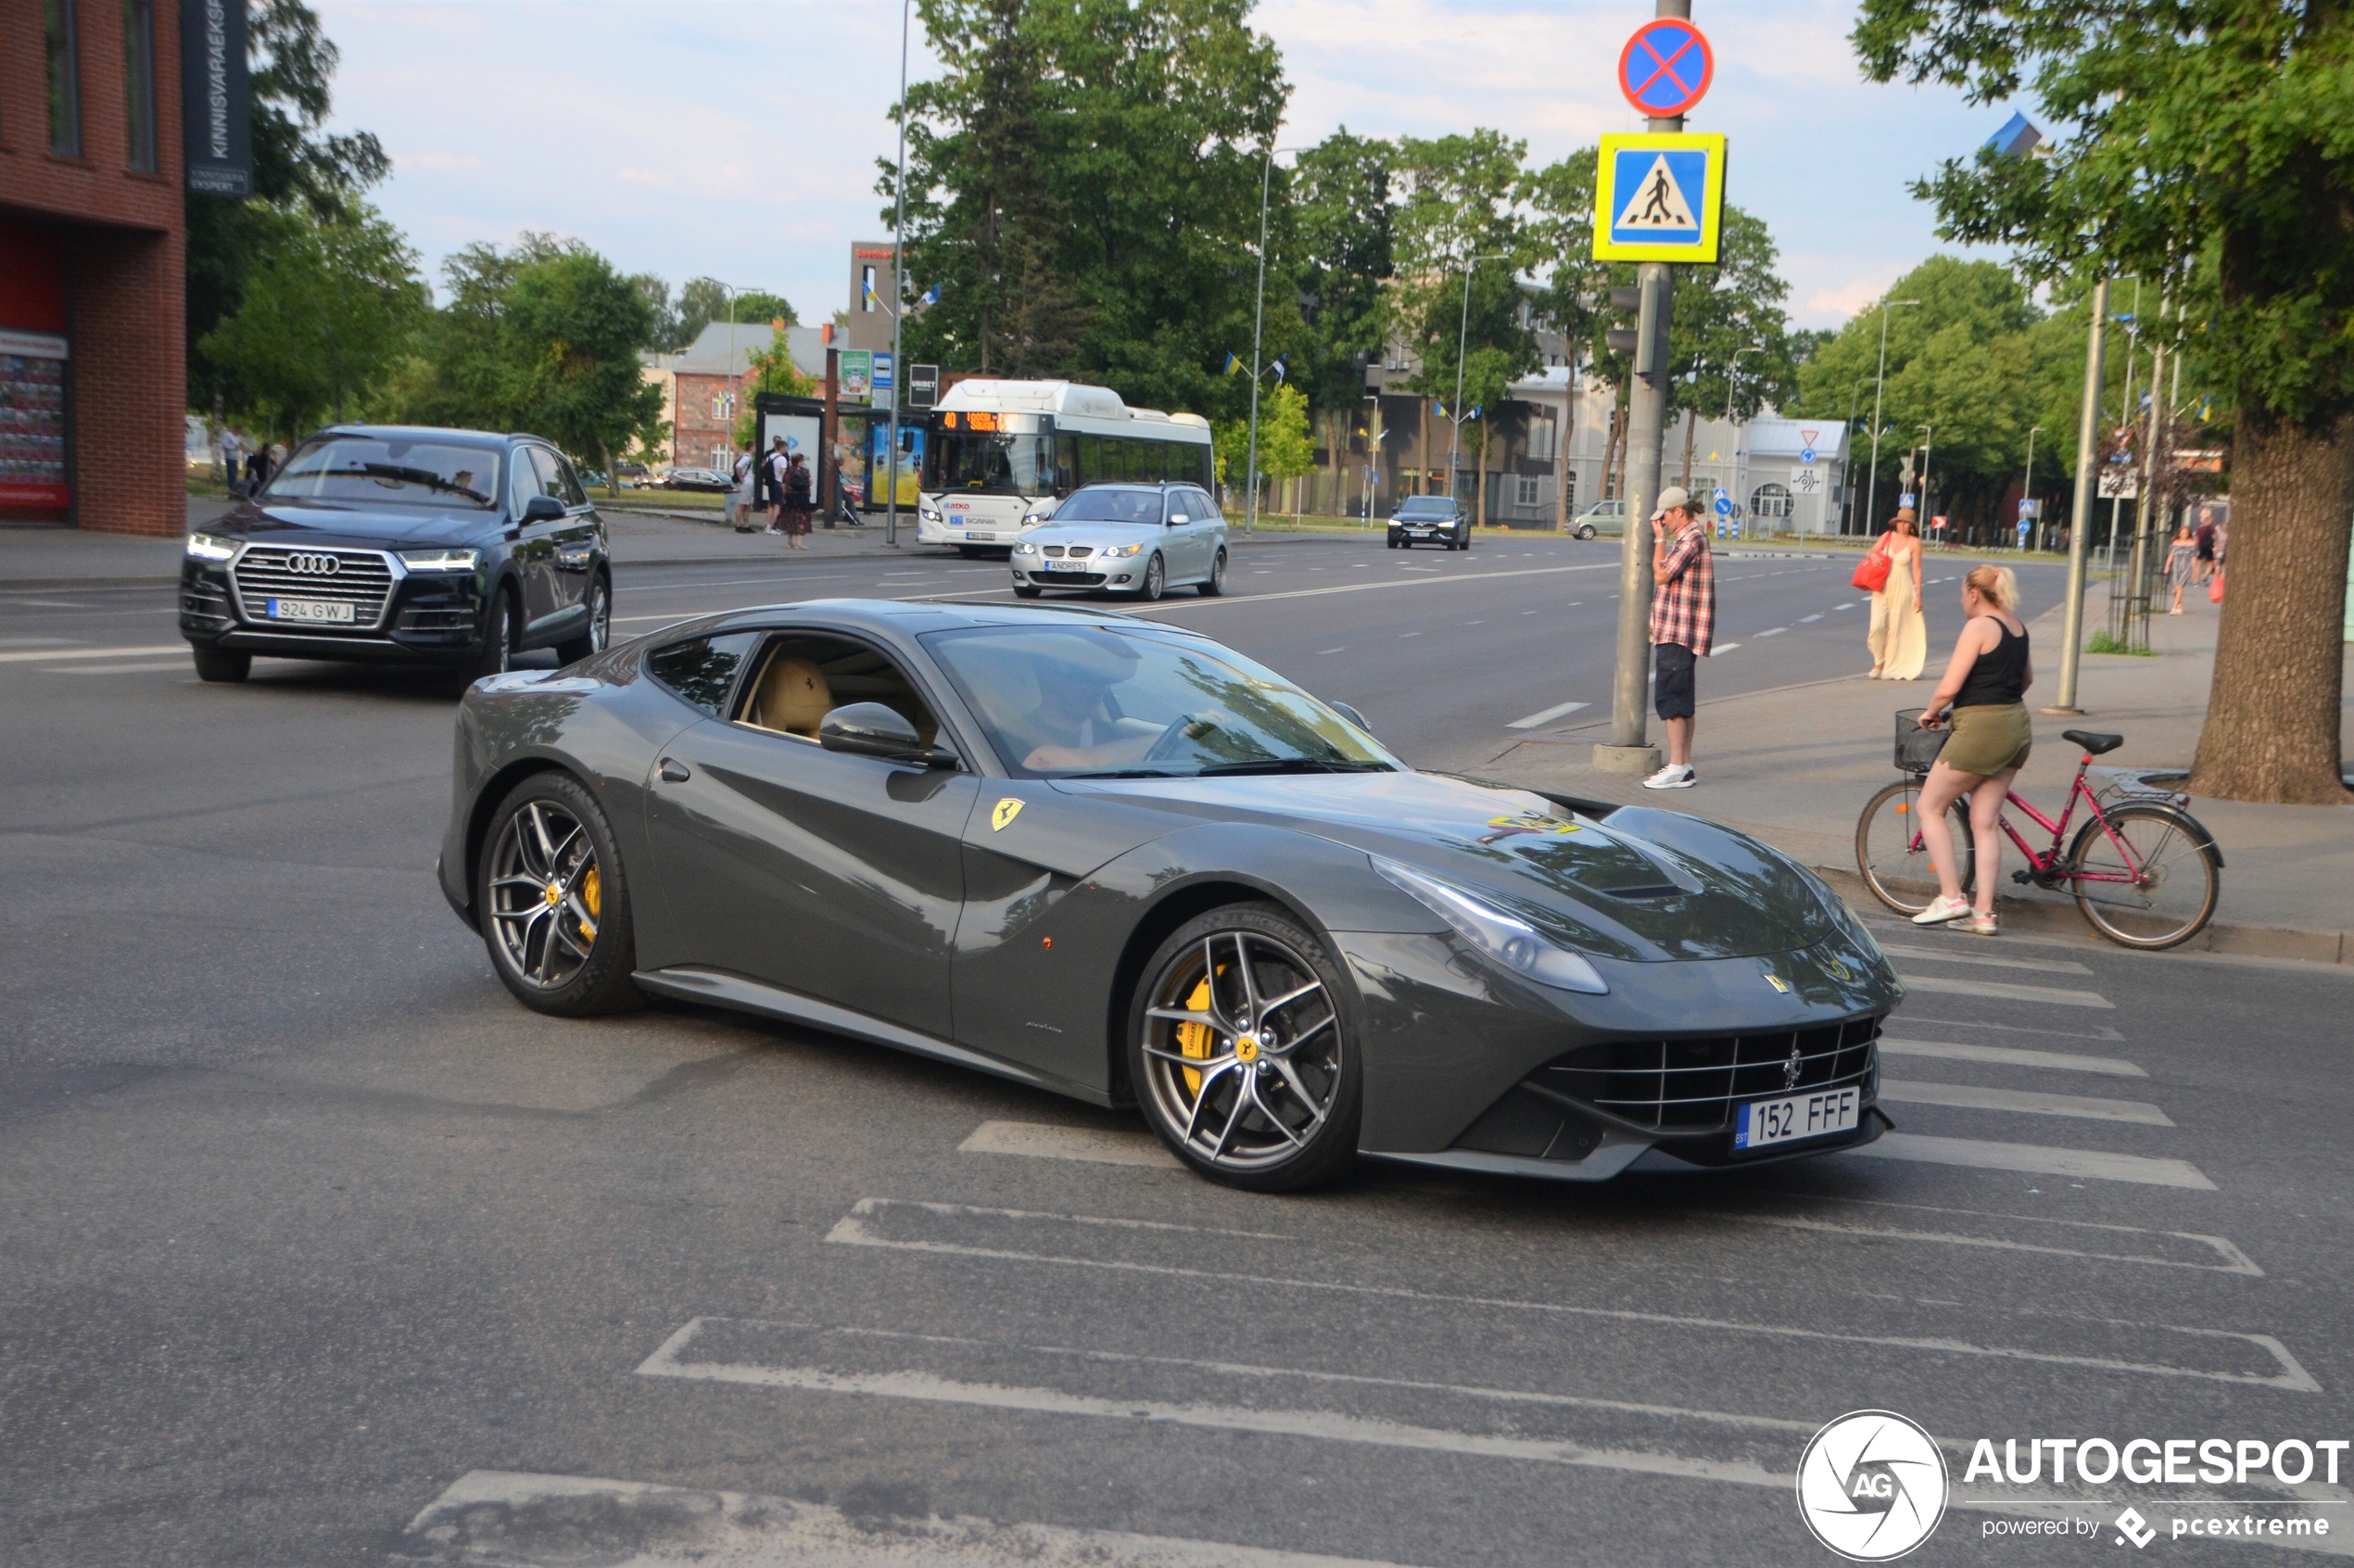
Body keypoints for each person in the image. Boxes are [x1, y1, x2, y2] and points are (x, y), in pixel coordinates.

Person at [1909, 564, 2034, 936]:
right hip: (2017, 726)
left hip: (1982, 730)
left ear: (1975, 593)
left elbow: (1949, 686)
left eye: (1963, 593)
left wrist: (1931, 713)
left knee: (1929, 806)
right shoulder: (2017, 627)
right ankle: (1983, 915)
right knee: (1985, 822)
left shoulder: (1978, 627)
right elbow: (2026, 680)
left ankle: (1951, 896)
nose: (1962, 601)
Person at [1642, 485, 1715, 790]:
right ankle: (1683, 765)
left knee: (1671, 700)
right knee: (1683, 701)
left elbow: (1661, 575)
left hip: (1678, 631)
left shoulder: (1691, 539)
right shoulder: (1688, 538)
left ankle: (1676, 766)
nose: (1664, 523)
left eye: (1666, 518)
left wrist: (1658, 539)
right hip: (1678, 630)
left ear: (1679, 512)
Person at [1867, 510, 1928, 680]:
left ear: (1912, 526)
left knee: (1895, 628)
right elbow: (1871, 552)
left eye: (1906, 523)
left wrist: (1918, 594)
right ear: (1896, 523)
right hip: (1881, 586)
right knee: (1877, 626)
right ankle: (1879, 660)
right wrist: (1873, 557)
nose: (1902, 526)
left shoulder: (1914, 543)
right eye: (1900, 522)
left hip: (1903, 587)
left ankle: (1891, 665)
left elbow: (1917, 570)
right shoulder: (1887, 536)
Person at [781, 453, 815, 548]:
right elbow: (811, 482)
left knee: (791, 517)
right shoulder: (805, 471)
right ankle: (799, 542)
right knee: (802, 518)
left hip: (791, 497)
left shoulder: (788, 471)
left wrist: (785, 495)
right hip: (803, 497)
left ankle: (789, 541)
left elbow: (783, 484)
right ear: (800, 461)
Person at [2166, 522, 2199, 613]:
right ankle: (2179, 604)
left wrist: (2194, 571)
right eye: (2182, 533)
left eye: (2186, 533)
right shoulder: (2175, 543)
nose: (2184, 535)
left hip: (2187, 567)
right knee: (2176, 589)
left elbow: (2194, 558)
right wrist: (2167, 566)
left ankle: (2174, 607)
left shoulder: (2192, 543)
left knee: (2180, 586)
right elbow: (2171, 556)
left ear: (2189, 534)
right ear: (2179, 533)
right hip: (2176, 566)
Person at [728, 444, 756, 533]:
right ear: (752, 448)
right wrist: (741, 478)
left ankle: (746, 525)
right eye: (755, 447)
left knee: (747, 505)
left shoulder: (747, 457)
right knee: (742, 505)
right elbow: (738, 466)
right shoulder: (747, 458)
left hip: (748, 483)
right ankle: (738, 525)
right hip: (746, 484)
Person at [2193, 507, 2217, 583]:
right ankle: (2205, 576)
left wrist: (2196, 546)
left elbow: (2196, 539)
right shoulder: (2212, 529)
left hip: (2200, 547)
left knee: (2199, 563)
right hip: (2209, 548)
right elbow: (2215, 538)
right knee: (2210, 563)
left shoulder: (2199, 529)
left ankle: (2197, 579)